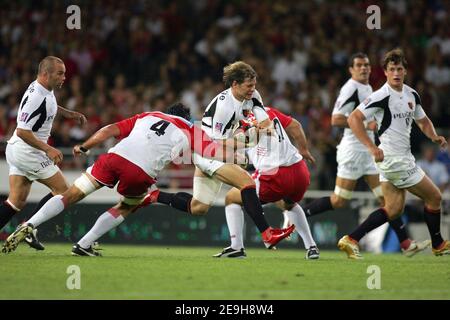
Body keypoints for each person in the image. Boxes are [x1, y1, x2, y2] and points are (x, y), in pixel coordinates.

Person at [2, 103, 292, 255]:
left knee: (70, 194)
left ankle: (29, 224)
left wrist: (86, 146)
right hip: (140, 172)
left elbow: (110, 129)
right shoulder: (190, 130)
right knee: (128, 205)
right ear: (186, 118)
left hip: (113, 157)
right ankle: (85, 243)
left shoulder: (147, 115)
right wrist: (247, 138)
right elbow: (217, 150)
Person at [139, 61, 295, 249]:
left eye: (254, 85)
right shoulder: (224, 108)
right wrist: (242, 148)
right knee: (247, 183)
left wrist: (264, 128)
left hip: (216, 150)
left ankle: (155, 195)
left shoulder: (253, 95)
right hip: (208, 152)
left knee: (199, 207)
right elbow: (216, 145)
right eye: (248, 86)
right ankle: (267, 234)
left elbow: (264, 120)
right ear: (234, 84)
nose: (252, 89)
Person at [302, 52, 429, 257]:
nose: (364, 68)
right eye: (359, 65)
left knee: (385, 200)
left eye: (367, 65)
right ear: (351, 69)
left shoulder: (368, 88)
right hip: (353, 151)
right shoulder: (350, 88)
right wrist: (367, 123)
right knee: (339, 200)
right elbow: (336, 119)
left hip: (369, 152)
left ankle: (405, 243)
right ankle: (298, 216)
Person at [338, 48, 449, 259]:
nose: (396, 73)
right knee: (434, 196)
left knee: (394, 209)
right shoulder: (381, 95)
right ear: (386, 72)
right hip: (393, 159)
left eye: (399, 69)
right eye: (391, 69)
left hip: (398, 159)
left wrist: (434, 136)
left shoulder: (411, 94)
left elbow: (422, 120)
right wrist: (371, 147)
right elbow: (353, 118)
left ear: (405, 71)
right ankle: (438, 243)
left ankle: (351, 239)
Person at [0, 56, 87, 250]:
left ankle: (28, 229)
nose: (64, 77)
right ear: (46, 74)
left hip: (16, 149)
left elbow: (49, 106)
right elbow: (22, 130)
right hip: (28, 151)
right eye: (60, 73)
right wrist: (48, 148)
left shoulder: (43, 88)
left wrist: (69, 114)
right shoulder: (36, 97)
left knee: (15, 201)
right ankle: (29, 228)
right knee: (66, 192)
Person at [213, 106, 319, 259]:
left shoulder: (238, 123)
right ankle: (311, 247)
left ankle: (237, 247)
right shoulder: (267, 110)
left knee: (231, 197)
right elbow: (295, 126)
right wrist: (303, 150)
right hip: (299, 171)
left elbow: (236, 151)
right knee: (287, 204)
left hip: (274, 175)